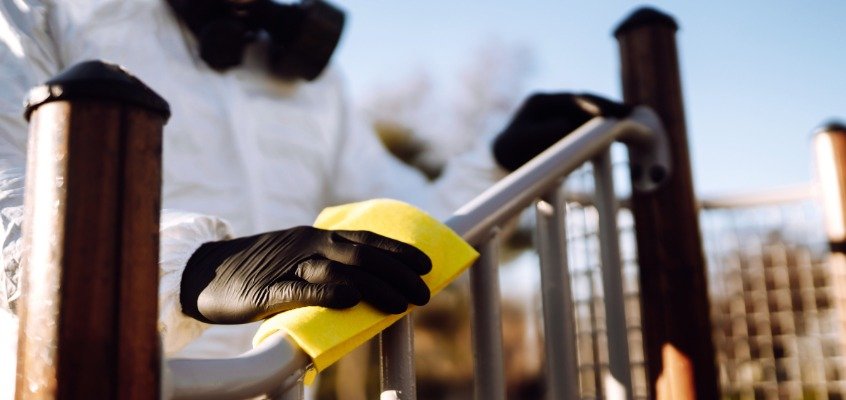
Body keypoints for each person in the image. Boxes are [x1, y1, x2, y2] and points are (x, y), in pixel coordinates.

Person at [0, 0, 624, 397]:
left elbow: (403, 235)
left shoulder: (314, 86)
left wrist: (497, 162)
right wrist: (185, 267)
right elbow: (8, 208)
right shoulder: (38, 14)